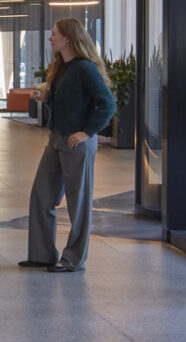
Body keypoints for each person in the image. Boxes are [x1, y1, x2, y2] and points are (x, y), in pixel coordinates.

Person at [20, 15, 115, 273]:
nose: (51, 38)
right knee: (41, 196)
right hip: (57, 138)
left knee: (78, 202)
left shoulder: (85, 68)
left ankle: (73, 260)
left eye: (54, 33)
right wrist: (46, 97)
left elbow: (108, 104)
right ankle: (41, 255)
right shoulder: (61, 67)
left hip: (77, 142)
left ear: (68, 38)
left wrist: (87, 132)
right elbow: (67, 105)